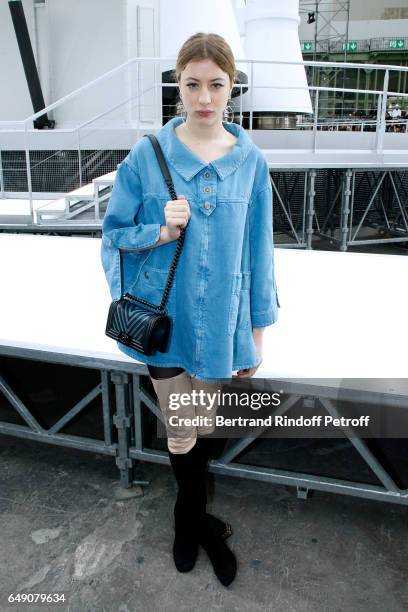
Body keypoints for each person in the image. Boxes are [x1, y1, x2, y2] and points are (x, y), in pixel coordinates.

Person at [100, 32, 280, 587]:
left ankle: (193, 519)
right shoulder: (147, 156)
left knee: (206, 425)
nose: (205, 98)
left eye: (217, 85)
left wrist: (258, 329)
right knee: (181, 430)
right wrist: (161, 228)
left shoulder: (250, 161)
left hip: (223, 322)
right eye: (193, 84)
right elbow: (113, 236)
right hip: (166, 321)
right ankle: (193, 524)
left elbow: (259, 249)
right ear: (178, 86)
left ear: (232, 88)